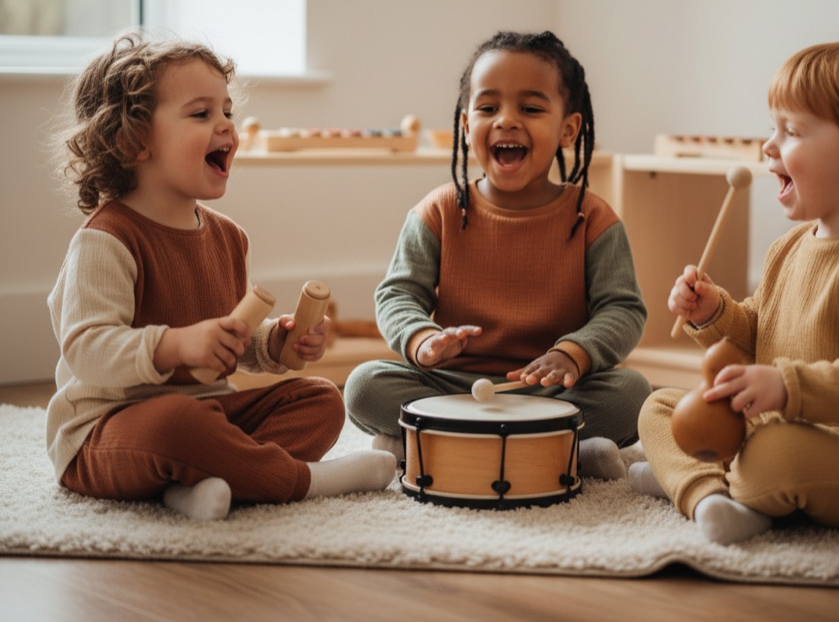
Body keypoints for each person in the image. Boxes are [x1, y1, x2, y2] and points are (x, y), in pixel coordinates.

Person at [46, 31, 395, 521]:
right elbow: (87, 349)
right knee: (178, 426)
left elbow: (230, 341)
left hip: (206, 413)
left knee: (320, 400)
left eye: (228, 111)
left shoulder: (228, 237)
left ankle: (195, 484)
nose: (228, 127)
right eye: (201, 113)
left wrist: (275, 344)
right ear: (134, 140)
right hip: (109, 429)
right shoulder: (106, 239)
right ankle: (301, 482)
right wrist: (176, 346)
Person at [630, 40, 839, 544]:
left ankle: (702, 480)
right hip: (783, 422)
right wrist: (715, 312)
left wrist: (786, 388)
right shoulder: (789, 247)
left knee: (774, 455)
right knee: (658, 408)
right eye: (772, 127)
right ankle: (709, 497)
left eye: (790, 131)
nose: (768, 146)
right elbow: (761, 338)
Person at [344, 30, 650, 478]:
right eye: (488, 108)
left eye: (530, 108)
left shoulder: (593, 218)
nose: (506, 120)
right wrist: (422, 340)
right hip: (453, 386)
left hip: (549, 390)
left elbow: (623, 309)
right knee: (364, 385)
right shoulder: (438, 211)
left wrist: (573, 353)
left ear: (569, 129)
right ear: (467, 126)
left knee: (633, 391)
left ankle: (428, 442)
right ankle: (561, 449)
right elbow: (397, 294)